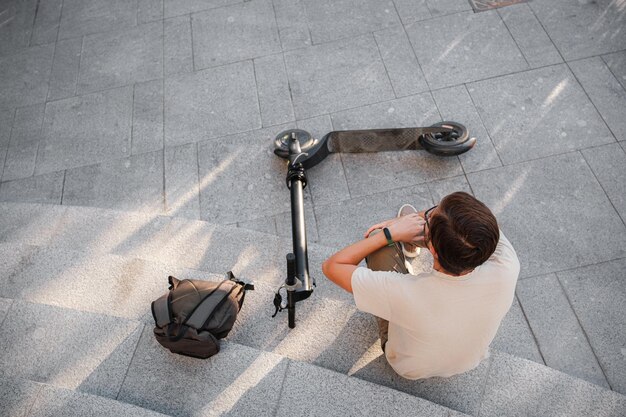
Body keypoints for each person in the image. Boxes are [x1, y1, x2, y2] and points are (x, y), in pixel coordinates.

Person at [322, 191, 520, 379]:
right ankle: (414, 237)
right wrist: (419, 225)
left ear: (431, 248)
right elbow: (470, 229)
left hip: (407, 368)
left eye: (428, 217)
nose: (426, 215)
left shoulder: (404, 293)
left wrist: (391, 233)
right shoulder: (507, 265)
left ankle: (407, 239)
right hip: (468, 362)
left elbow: (332, 266)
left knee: (379, 245)